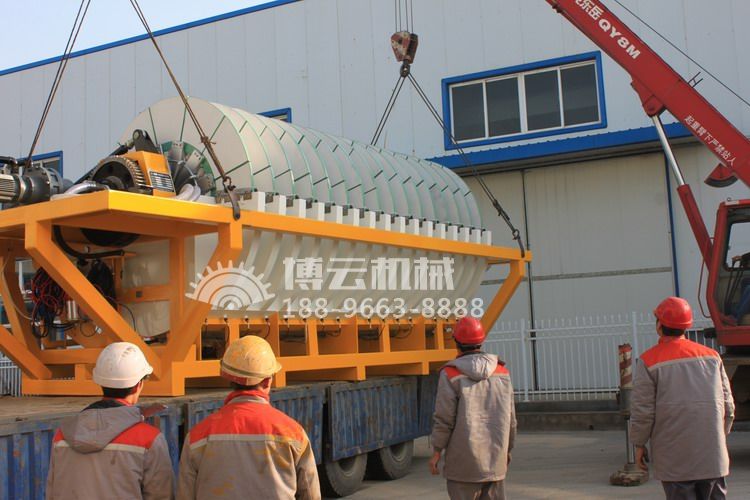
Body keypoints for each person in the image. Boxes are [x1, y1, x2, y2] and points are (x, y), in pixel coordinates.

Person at [177, 335, 320, 500]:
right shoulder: (293, 433)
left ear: (229, 377)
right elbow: (311, 494)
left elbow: (185, 495)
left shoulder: (197, 436)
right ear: (267, 382)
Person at [631, 296, 735, 500]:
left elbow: (643, 412)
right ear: (687, 326)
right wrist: (717, 436)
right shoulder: (712, 357)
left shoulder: (648, 361)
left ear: (659, 325)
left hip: (675, 463)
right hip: (711, 459)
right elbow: (728, 406)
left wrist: (639, 444)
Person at [46, 342, 174, 500]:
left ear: (100, 382)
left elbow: (52, 493)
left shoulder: (63, 435)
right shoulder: (149, 439)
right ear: (138, 385)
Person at [429, 316, 516, 500]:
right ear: (481, 341)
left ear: (456, 342)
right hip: (495, 462)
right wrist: (507, 451)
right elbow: (511, 420)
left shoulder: (450, 373)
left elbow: (444, 419)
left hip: (463, 467)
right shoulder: (502, 372)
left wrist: (437, 451)